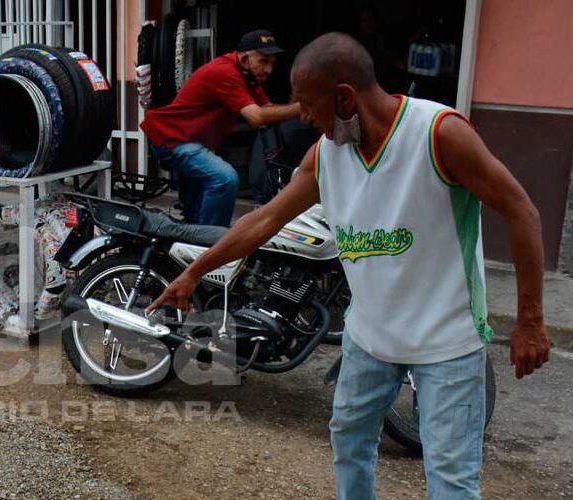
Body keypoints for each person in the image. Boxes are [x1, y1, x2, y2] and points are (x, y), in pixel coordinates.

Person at [148, 33, 550, 499]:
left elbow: (523, 212)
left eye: (307, 104)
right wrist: (195, 271)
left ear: (344, 97)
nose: (303, 116)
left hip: (447, 343)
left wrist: (531, 321)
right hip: (369, 339)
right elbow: (265, 220)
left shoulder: (439, 134)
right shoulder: (325, 154)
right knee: (350, 443)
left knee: (452, 477)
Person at [140, 29, 301, 226]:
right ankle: (211, 243)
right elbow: (257, 117)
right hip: (173, 141)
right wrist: (302, 108)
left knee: (194, 216)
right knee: (225, 179)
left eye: (272, 63)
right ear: (244, 60)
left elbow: (268, 109)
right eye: (263, 61)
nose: (268, 69)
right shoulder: (226, 73)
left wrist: (303, 104)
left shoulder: (248, 77)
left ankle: (188, 245)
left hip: (192, 142)